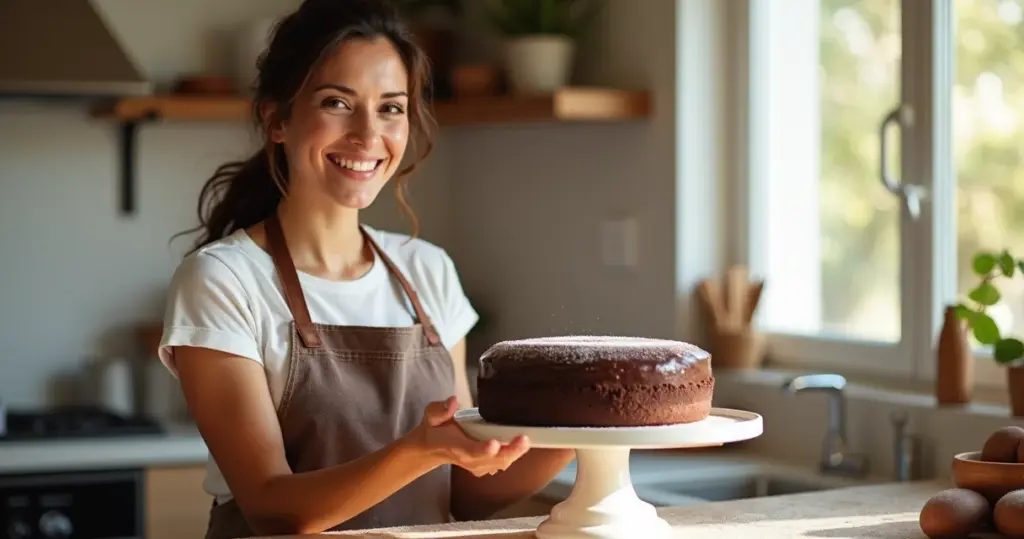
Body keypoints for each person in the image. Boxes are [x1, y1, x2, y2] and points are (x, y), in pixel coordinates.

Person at [157, 1, 575, 537]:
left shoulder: (428, 271)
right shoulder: (223, 280)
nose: (367, 134)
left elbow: (461, 488)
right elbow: (270, 507)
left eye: (391, 108)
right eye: (337, 102)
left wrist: (586, 432)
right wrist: (417, 451)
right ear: (277, 120)